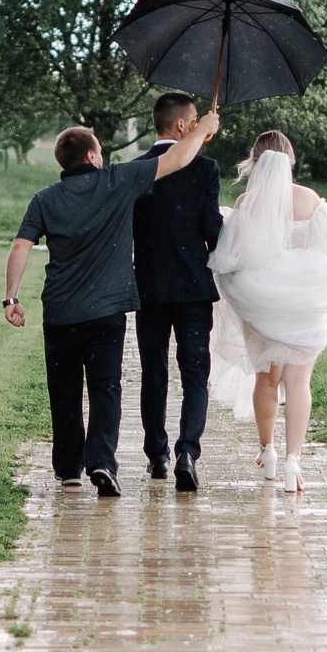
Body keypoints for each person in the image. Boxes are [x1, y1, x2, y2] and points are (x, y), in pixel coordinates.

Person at [5, 107, 221, 496]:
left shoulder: (45, 198)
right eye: (100, 150)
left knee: (64, 389)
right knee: (105, 388)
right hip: (106, 312)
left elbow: (22, 244)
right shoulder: (117, 181)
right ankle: (102, 462)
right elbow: (175, 158)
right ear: (90, 156)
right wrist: (203, 129)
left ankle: (69, 468)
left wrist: (11, 297)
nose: (103, 155)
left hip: (59, 312)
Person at [210, 129, 327, 494]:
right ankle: (294, 461)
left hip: (262, 302)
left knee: (267, 379)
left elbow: (231, 257)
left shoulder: (249, 203)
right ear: (291, 160)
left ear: (255, 161)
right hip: (304, 302)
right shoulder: (310, 200)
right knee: (299, 382)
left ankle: (268, 453)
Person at [131, 92, 223, 492]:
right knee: (195, 373)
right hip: (192, 287)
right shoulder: (205, 169)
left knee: (153, 372)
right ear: (184, 125)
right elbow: (211, 229)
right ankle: (188, 450)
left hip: (148, 287)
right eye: (197, 120)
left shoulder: (133, 169)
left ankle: (157, 456)